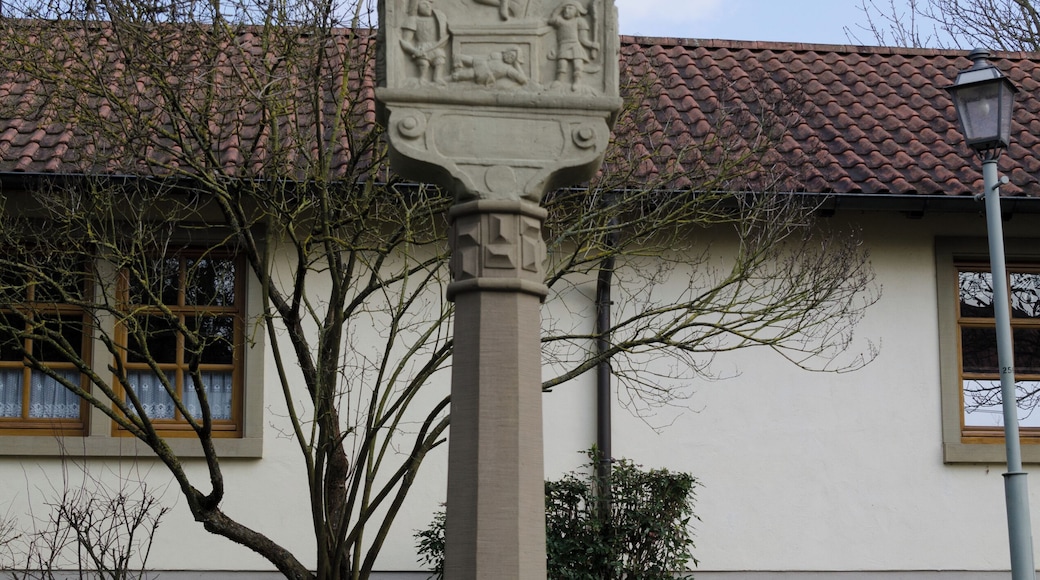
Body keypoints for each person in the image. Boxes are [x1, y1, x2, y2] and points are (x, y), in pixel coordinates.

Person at [547, 0, 599, 92]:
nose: (567, 10)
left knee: (578, 64)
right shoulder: (560, 21)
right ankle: (559, 80)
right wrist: (560, 7)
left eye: (570, 8)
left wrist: (592, 45)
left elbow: (583, 40)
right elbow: (551, 19)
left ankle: (577, 81)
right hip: (563, 45)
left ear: (577, 11)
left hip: (575, 45)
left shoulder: (580, 21)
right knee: (562, 64)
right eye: (565, 8)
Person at [400, 0, 450, 84]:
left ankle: (437, 77)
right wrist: (414, 50)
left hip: (435, 46)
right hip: (421, 46)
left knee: (439, 59)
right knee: (423, 63)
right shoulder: (413, 20)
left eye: (429, 4)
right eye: (424, 4)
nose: (428, 6)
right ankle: (422, 78)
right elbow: (405, 41)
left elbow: (444, 36)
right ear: (416, 6)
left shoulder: (439, 18)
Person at [451, 47, 528, 88]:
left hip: (484, 73)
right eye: (509, 54)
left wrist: (517, 64)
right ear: (507, 51)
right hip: (480, 62)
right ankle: (456, 72)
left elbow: (523, 80)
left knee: (460, 75)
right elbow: (484, 58)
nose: (509, 57)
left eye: (512, 57)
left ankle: (453, 78)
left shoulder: (509, 69)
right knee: (458, 57)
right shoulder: (497, 55)